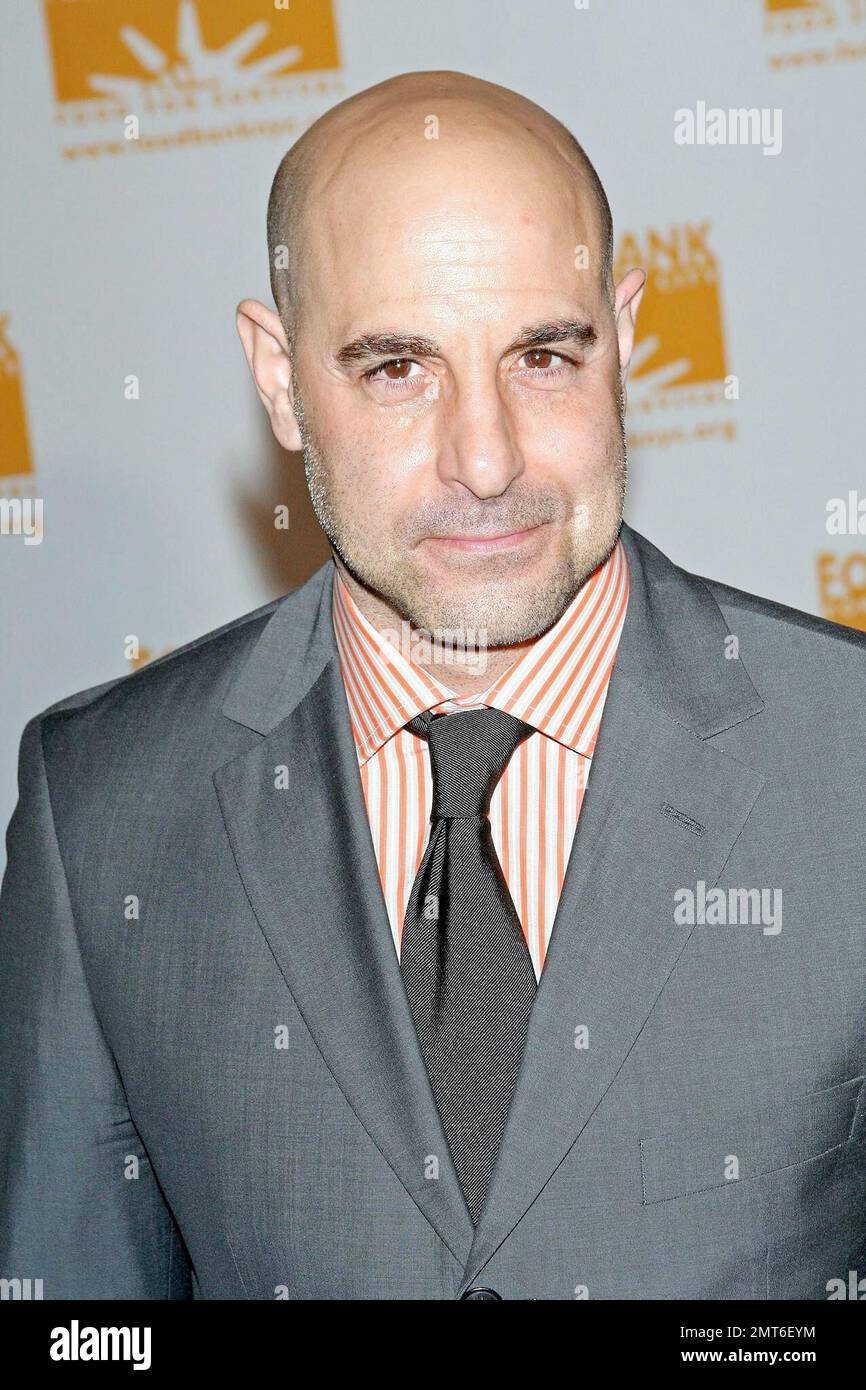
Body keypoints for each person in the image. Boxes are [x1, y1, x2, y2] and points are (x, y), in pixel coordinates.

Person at [1, 70, 864, 1301]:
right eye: (396, 367)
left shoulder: (848, 759)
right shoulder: (105, 810)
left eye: (543, 355)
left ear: (621, 335)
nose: (486, 458)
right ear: (279, 378)